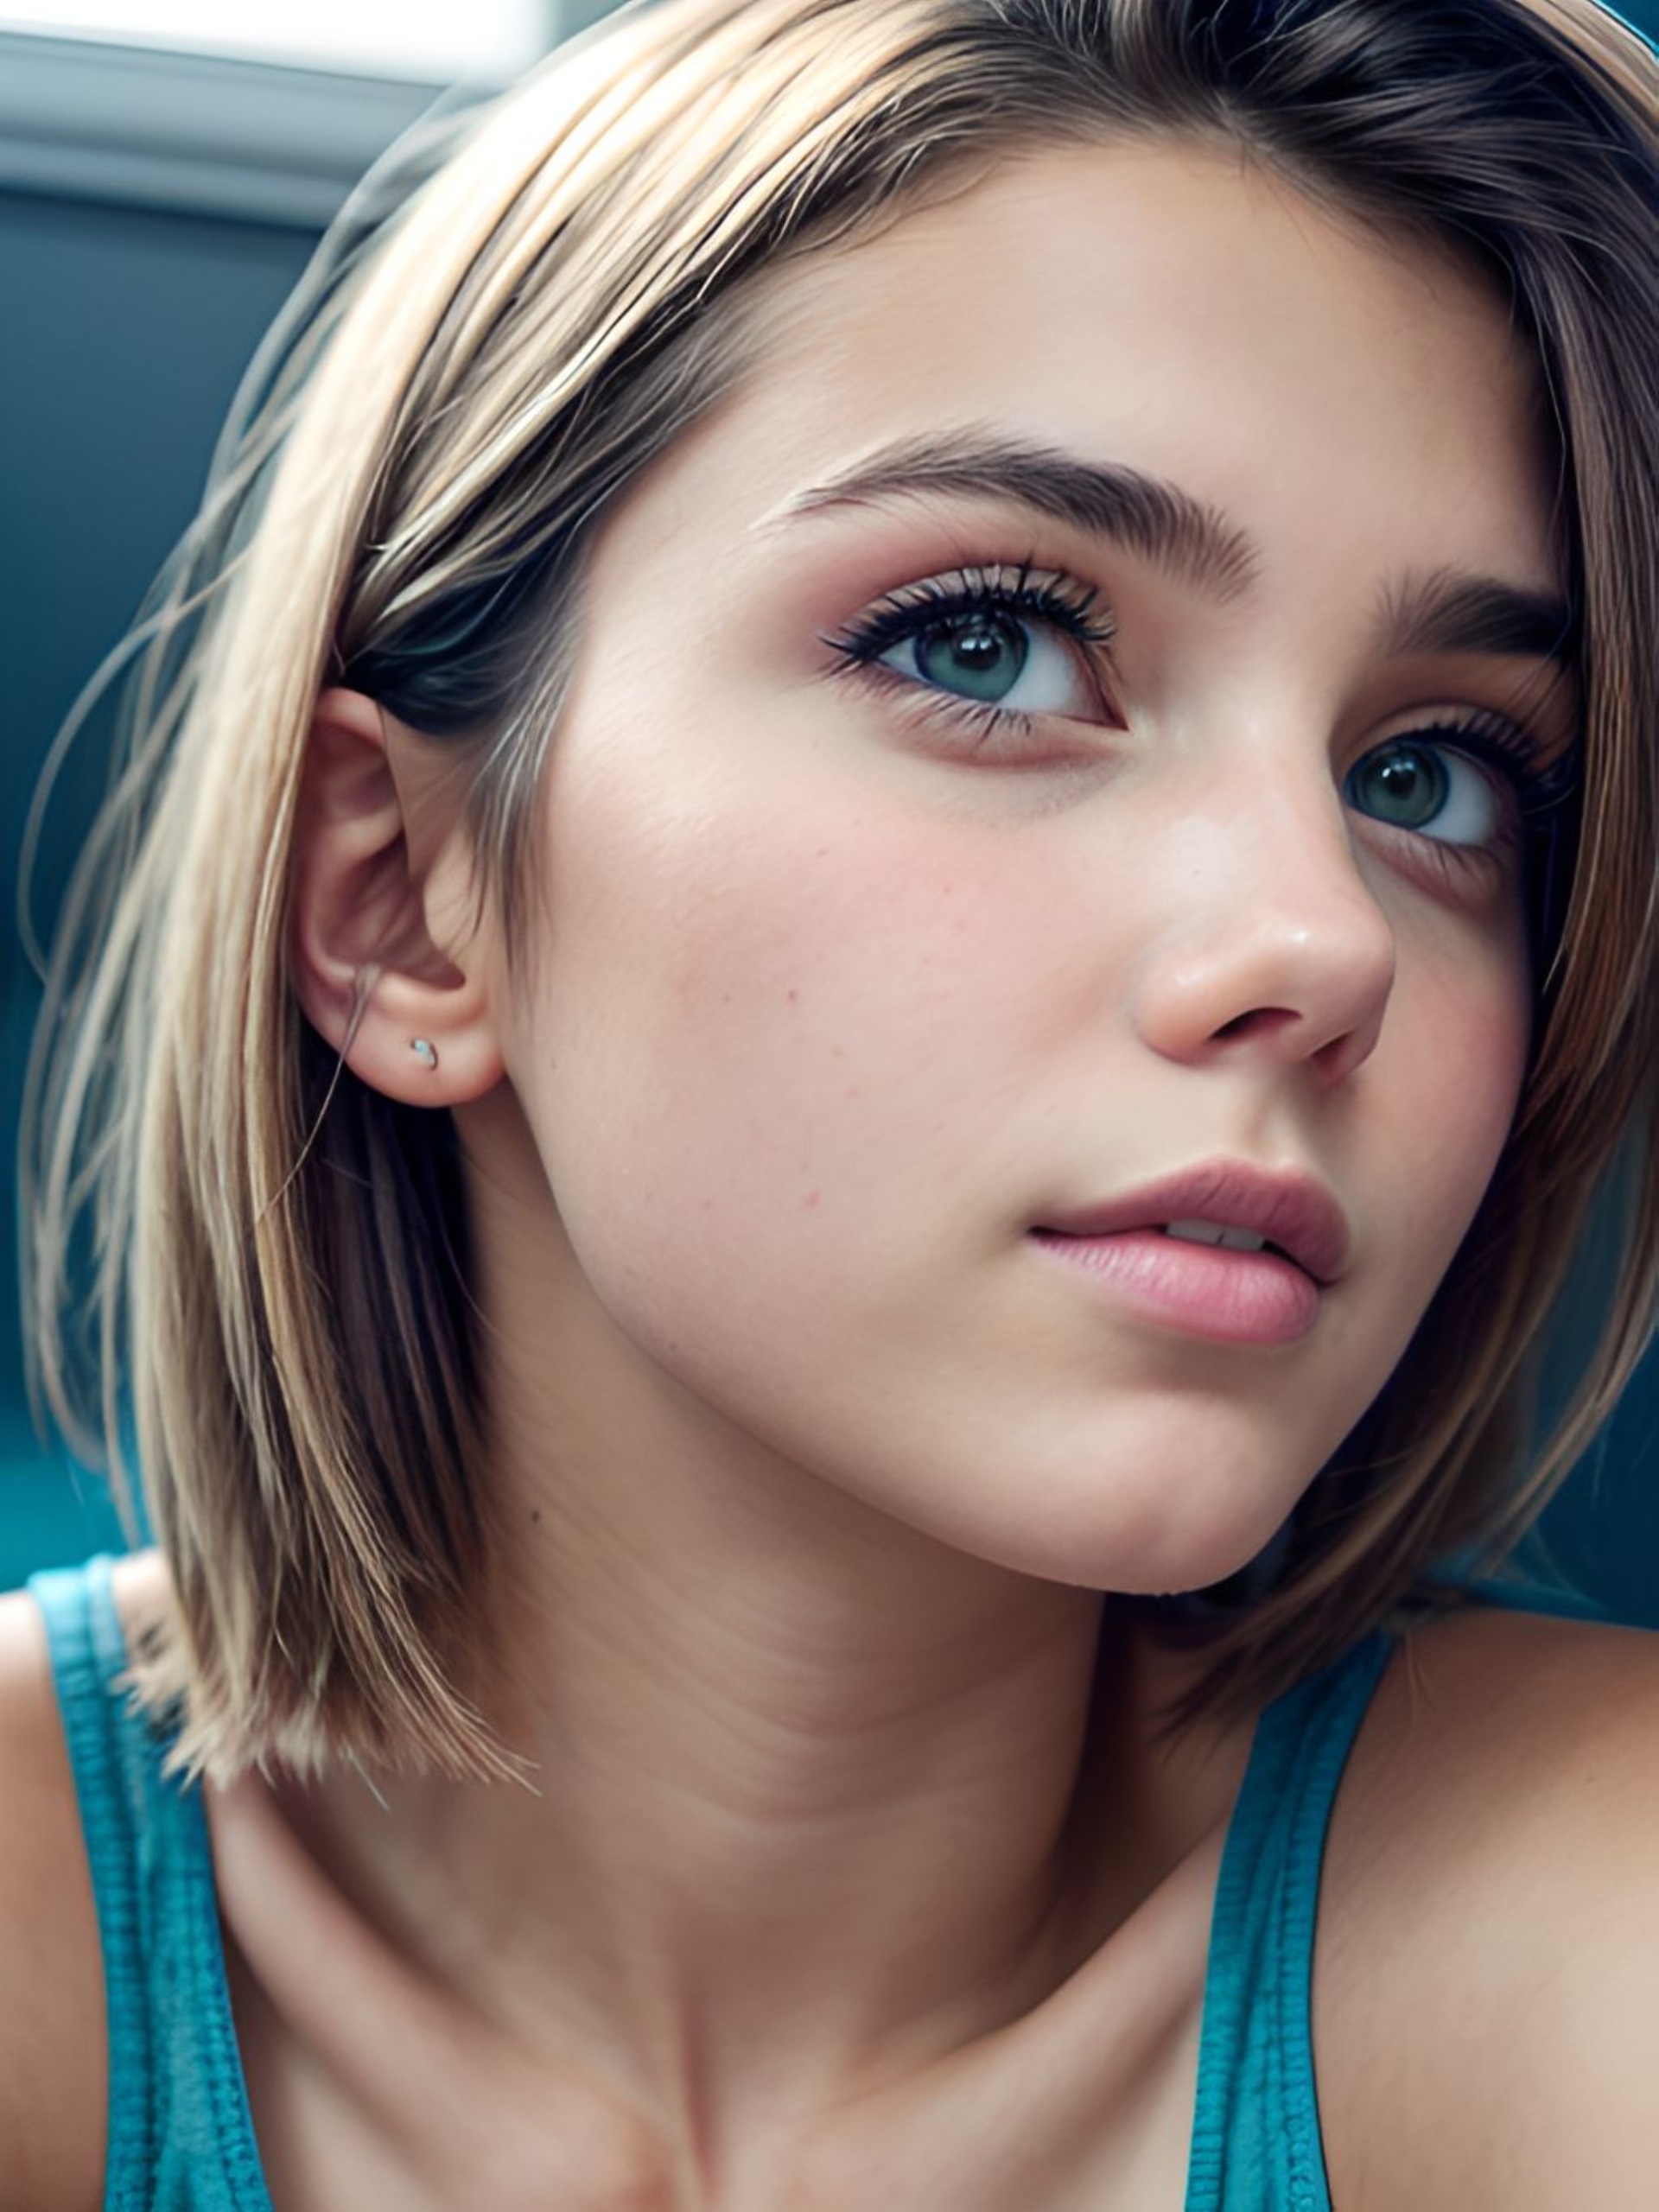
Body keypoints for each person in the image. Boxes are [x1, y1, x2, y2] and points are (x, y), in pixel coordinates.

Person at [4, 0, 1659, 2202]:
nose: (1325, 935)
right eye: (989, 645)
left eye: (1431, 774)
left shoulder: (1587, 1928)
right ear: (405, 902)